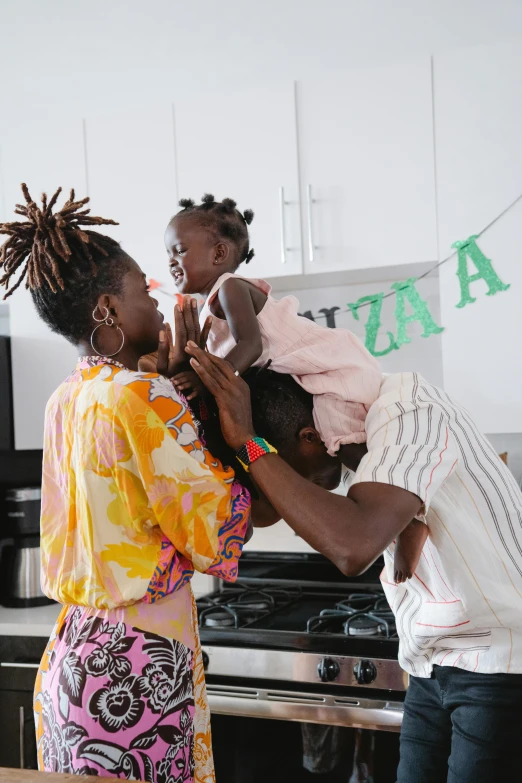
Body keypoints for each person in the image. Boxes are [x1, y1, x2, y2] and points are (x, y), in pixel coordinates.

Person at [0, 184, 251, 782]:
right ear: (108, 309)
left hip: (73, 666)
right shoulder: (143, 396)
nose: (159, 298)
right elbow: (218, 531)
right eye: (144, 287)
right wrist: (250, 442)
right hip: (135, 669)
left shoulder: (69, 397)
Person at [184, 346, 522, 783]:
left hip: (499, 661)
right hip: (429, 664)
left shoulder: (408, 410)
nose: (296, 489)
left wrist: (250, 443)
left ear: (309, 438)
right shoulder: (352, 446)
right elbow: (261, 513)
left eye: (289, 468)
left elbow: (352, 546)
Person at [165, 193, 427, 584]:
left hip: (326, 365)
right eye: (168, 252)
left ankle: (410, 520)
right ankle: (402, 523)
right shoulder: (204, 309)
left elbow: (250, 346)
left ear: (219, 253)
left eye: (179, 250)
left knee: (348, 446)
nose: (171, 260)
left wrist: (209, 383)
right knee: (344, 451)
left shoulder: (230, 288)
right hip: (304, 373)